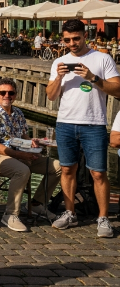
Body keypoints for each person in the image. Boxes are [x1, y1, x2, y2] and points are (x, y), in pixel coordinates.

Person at [45, 19, 120, 237]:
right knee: (68, 169)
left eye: (76, 38)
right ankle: (70, 213)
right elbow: (51, 96)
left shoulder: (102, 58)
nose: (72, 43)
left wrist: (92, 77)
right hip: (66, 122)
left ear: (84, 35)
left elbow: (117, 89)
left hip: (94, 123)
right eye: (67, 40)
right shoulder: (60, 61)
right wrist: (59, 77)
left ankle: (103, 218)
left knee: (98, 172)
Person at [0, 78, 61, 232]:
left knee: (58, 167)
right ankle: (10, 214)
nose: (7, 96)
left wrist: (33, 143)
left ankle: (36, 204)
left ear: (15, 95)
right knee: (22, 170)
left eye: (11, 93)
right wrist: (19, 154)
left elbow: (24, 137)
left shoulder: (18, 113)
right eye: (3, 92)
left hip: (21, 154)